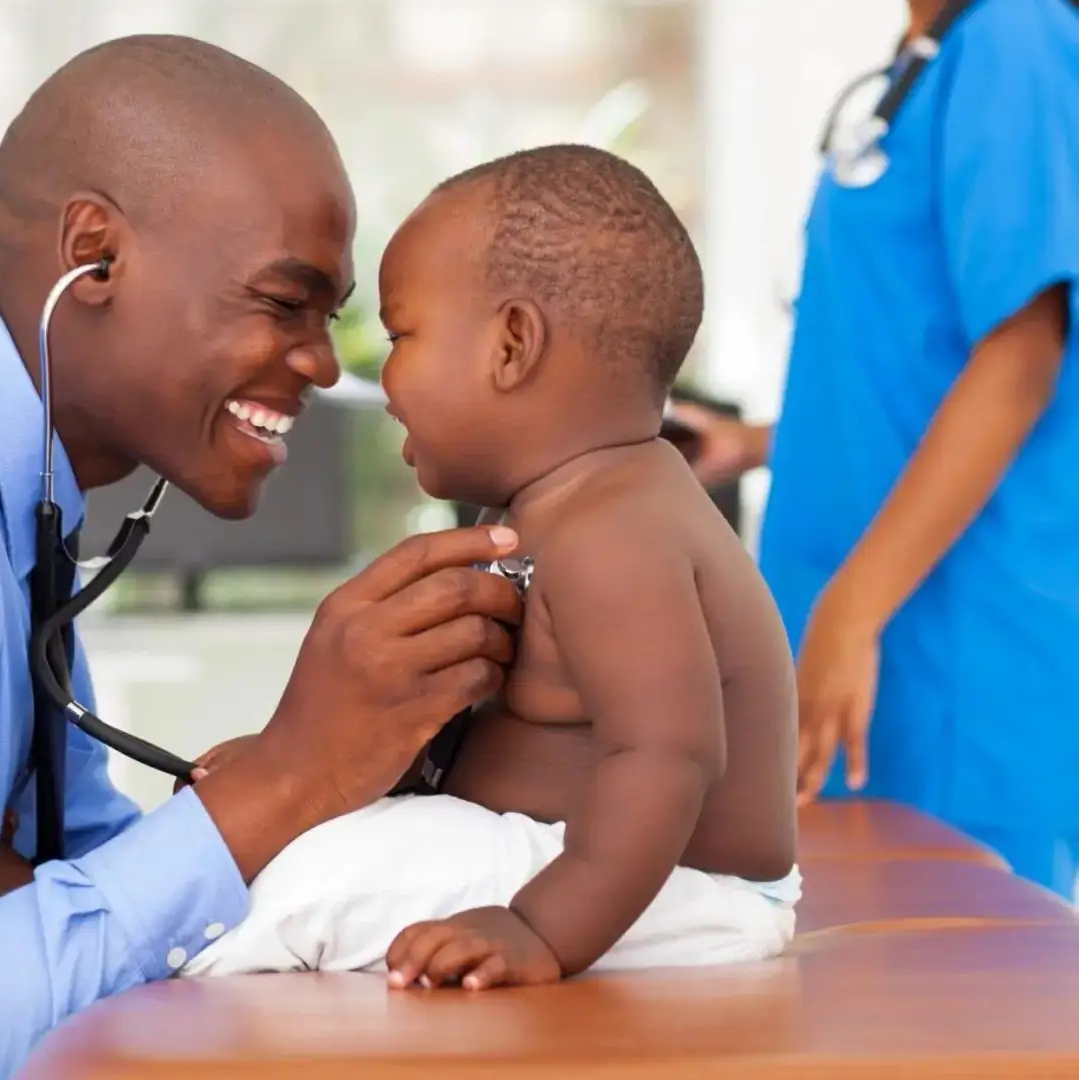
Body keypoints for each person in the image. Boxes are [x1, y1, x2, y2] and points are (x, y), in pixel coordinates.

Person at [0, 37, 527, 1079]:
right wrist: (287, 778)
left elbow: (65, 882)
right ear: (96, 255)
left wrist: (308, 784)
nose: (315, 357)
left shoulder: (8, 484)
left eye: (328, 316)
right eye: (281, 301)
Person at [172, 145, 801, 987]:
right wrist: (293, 779)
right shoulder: (549, 509)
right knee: (302, 846)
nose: (380, 378)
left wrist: (539, 928)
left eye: (400, 336)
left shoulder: (616, 534)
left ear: (511, 345)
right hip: (581, 863)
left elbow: (668, 758)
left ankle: (122, 962)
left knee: (300, 889)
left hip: (661, 889)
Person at [672, 0, 1079, 895]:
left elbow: (1021, 355)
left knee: (971, 993)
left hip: (954, 642)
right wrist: (758, 443)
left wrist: (851, 615)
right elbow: (915, 359)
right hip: (870, 630)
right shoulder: (928, 58)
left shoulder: (1013, 34)